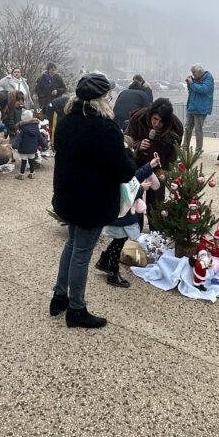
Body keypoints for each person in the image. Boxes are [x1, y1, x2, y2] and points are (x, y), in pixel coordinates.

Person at [50, 73, 136, 329]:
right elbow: (123, 170)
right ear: (103, 99)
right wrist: (129, 155)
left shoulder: (67, 121)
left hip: (68, 196)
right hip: (91, 201)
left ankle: (59, 295)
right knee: (81, 254)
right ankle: (76, 309)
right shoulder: (105, 128)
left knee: (72, 245)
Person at [95, 157, 161, 287]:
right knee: (118, 242)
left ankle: (104, 260)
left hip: (124, 217)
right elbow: (126, 194)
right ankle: (113, 273)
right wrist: (141, 189)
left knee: (119, 240)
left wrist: (150, 165)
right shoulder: (116, 176)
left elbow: (136, 176)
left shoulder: (123, 171)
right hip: (121, 216)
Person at [125, 98, 183, 228]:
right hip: (137, 163)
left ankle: (155, 230)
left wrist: (166, 168)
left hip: (159, 165)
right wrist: (138, 145)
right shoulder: (137, 118)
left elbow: (175, 150)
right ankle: (136, 230)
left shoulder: (176, 126)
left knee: (156, 201)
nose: (157, 124)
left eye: (161, 122)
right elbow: (126, 141)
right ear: (151, 114)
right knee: (135, 197)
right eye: (155, 119)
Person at [183, 64, 215, 152]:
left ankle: (198, 150)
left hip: (201, 109)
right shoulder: (196, 79)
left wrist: (192, 83)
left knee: (198, 130)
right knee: (187, 128)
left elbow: (203, 89)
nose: (193, 75)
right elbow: (192, 91)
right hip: (192, 107)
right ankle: (185, 148)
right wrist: (189, 83)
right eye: (192, 73)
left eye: (194, 73)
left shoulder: (208, 78)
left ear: (200, 71)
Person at [14, 109, 46, 179]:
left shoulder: (22, 128)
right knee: (31, 161)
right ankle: (32, 173)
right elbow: (39, 137)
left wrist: (15, 145)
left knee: (24, 161)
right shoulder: (36, 127)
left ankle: (21, 174)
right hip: (33, 148)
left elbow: (19, 138)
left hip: (24, 148)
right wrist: (44, 145)